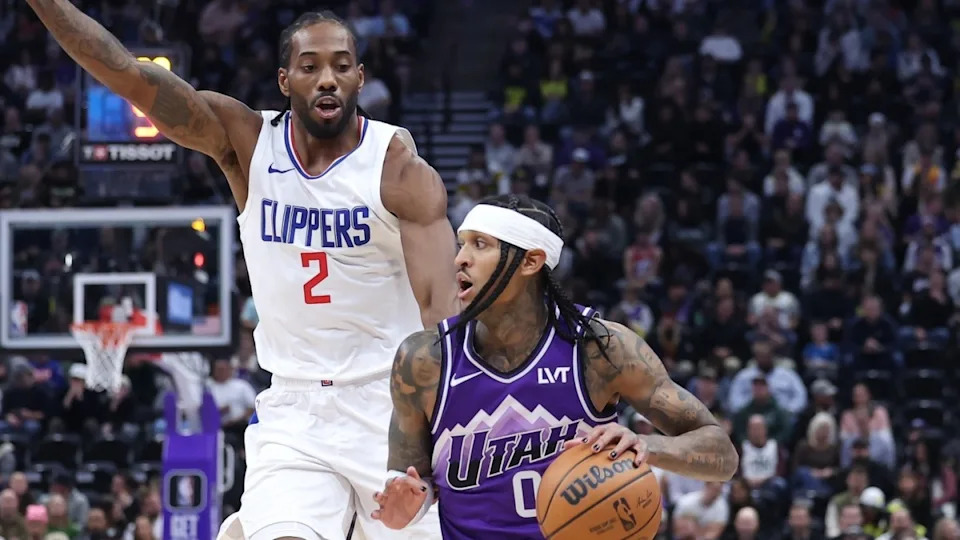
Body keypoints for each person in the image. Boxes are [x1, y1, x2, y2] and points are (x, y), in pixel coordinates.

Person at [25, 3, 459, 540]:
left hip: (391, 405)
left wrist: (426, 441)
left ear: (360, 77)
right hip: (295, 409)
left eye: (342, 65)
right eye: (310, 65)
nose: (327, 78)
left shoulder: (398, 170)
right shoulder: (248, 144)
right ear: (284, 79)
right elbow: (128, 74)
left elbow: (444, 322)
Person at [370, 195, 738, 538]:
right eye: (462, 243)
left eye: (480, 245)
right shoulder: (424, 360)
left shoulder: (599, 348)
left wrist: (645, 445)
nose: (459, 259)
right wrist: (407, 504)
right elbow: (409, 481)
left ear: (530, 261)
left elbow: (722, 454)